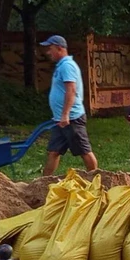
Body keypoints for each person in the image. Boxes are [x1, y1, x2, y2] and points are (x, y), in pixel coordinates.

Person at [41, 35, 98, 176]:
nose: (48, 52)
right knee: (53, 151)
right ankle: (43, 183)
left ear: (59, 48)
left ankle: (96, 180)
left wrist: (65, 114)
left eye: (50, 48)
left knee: (84, 151)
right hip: (61, 120)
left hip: (71, 118)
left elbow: (71, 90)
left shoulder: (67, 66)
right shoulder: (62, 66)